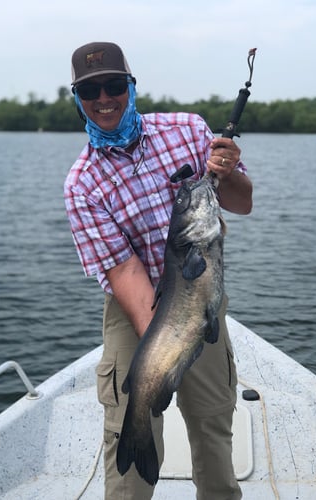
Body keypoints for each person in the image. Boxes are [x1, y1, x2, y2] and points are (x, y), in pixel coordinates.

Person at [64, 41, 252, 500]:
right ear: (77, 99)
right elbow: (125, 273)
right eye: (91, 91)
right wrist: (167, 351)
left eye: (113, 85)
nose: (104, 99)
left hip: (199, 299)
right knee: (135, 411)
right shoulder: (81, 184)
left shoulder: (187, 128)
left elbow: (242, 202)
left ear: (131, 85)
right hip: (136, 309)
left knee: (212, 423)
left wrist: (227, 174)